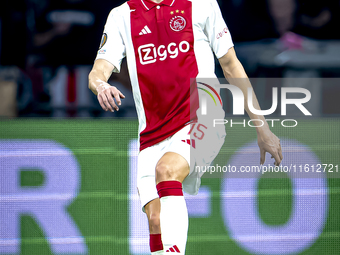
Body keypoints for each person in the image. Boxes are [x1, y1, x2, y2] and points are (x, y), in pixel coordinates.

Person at [88, 0, 282, 254]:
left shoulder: (201, 5)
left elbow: (231, 65)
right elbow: (97, 72)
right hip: (152, 133)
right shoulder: (122, 15)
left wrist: (262, 127)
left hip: (203, 117)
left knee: (166, 170)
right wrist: (102, 85)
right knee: (156, 220)